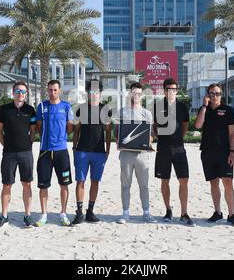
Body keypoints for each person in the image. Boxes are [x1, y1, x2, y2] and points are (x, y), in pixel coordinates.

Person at [195, 84, 234, 226]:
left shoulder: (227, 110)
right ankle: (218, 212)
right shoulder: (204, 110)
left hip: (224, 152)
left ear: (221, 95)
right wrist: (204, 106)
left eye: (217, 93)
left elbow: (232, 133)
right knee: (213, 182)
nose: (215, 96)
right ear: (208, 95)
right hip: (208, 152)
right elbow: (197, 126)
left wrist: (232, 152)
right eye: (212, 93)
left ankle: (231, 213)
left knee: (228, 182)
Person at [0, 81, 37, 229]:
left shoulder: (30, 110)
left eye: (23, 92)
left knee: (27, 184)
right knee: (7, 184)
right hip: (9, 153)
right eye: (18, 91)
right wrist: (4, 144)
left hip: (26, 152)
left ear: (26, 94)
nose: (20, 94)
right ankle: (4, 215)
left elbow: (33, 130)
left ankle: (27, 215)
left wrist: (29, 143)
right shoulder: (4, 109)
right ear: (13, 93)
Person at [71, 80, 112, 225]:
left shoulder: (105, 109)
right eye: (91, 91)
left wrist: (108, 150)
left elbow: (108, 131)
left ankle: (90, 211)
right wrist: (74, 148)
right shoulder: (80, 109)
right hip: (82, 151)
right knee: (80, 181)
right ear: (88, 93)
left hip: (99, 152)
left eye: (96, 91)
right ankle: (79, 212)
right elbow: (76, 130)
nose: (94, 94)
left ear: (100, 93)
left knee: (95, 181)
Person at [154, 78, 194, 226]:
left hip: (179, 148)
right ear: (164, 91)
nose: (171, 92)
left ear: (177, 91)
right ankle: (168, 210)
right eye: (168, 89)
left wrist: (178, 139)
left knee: (184, 180)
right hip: (163, 148)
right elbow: (155, 126)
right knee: (165, 180)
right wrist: (161, 138)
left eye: (174, 89)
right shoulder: (158, 106)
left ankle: (184, 213)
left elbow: (185, 125)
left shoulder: (182, 107)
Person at [115, 82, 156, 224]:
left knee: (144, 185)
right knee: (125, 184)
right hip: (126, 154)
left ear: (142, 95)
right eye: (134, 93)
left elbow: (151, 135)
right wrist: (118, 143)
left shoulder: (147, 113)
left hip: (142, 155)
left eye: (139, 93)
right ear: (130, 94)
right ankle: (125, 213)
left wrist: (148, 141)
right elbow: (117, 133)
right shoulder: (122, 112)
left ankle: (146, 213)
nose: (136, 95)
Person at [35, 80, 74, 227]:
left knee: (64, 184)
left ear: (59, 91)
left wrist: (61, 138)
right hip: (45, 152)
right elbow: (39, 127)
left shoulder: (66, 106)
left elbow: (70, 127)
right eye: (50, 90)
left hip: (61, 151)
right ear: (47, 90)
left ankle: (63, 213)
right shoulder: (42, 106)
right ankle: (44, 214)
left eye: (55, 90)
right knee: (43, 186)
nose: (52, 92)